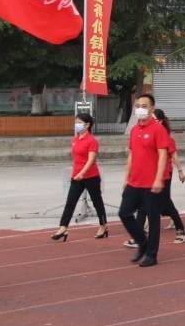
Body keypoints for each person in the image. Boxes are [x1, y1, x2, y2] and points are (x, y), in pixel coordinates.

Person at [117, 94, 169, 267]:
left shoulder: (158, 129)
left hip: (151, 184)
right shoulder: (133, 130)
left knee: (153, 220)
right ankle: (142, 242)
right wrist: (126, 178)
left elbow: (163, 155)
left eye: (144, 105)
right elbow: (131, 155)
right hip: (134, 182)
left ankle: (152, 255)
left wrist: (158, 179)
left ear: (151, 109)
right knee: (124, 213)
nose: (140, 108)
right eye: (138, 105)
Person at [51, 112, 108, 242]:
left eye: (79, 122)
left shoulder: (92, 141)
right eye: (76, 122)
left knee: (97, 202)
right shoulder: (75, 139)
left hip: (91, 176)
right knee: (70, 202)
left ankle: (103, 226)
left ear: (87, 125)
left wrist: (82, 173)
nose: (77, 124)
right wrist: (76, 172)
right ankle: (63, 227)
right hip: (76, 177)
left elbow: (91, 160)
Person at [152, 109, 185, 243]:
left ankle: (180, 227)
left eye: (154, 119)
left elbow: (174, 155)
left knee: (165, 202)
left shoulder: (166, 138)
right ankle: (139, 234)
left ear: (160, 121)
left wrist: (180, 171)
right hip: (150, 174)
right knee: (146, 203)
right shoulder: (149, 134)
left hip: (165, 173)